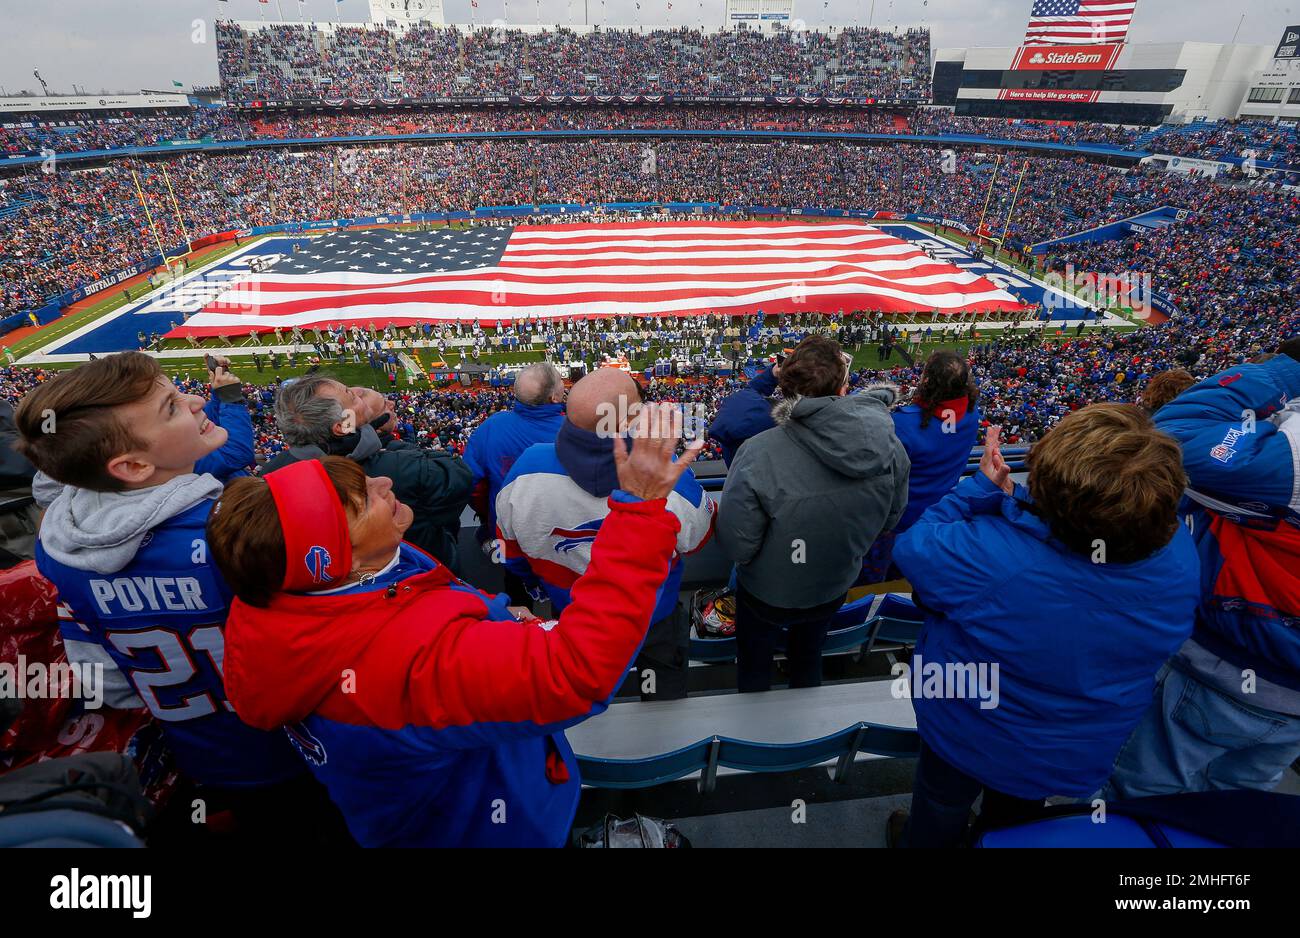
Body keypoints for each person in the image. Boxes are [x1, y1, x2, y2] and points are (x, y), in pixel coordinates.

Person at [206, 405, 702, 847]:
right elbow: (575, 673)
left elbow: (412, 615)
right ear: (341, 562)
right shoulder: (409, 667)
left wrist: (495, 618)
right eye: (360, 502)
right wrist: (638, 511)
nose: (382, 482)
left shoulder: (286, 601)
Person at [13, 353, 315, 832]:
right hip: (304, 744)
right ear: (132, 465)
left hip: (201, 753)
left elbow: (108, 680)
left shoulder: (57, 546)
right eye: (172, 407)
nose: (196, 401)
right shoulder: (235, 534)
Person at [888, 407, 1200, 847]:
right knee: (1017, 818)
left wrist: (978, 490)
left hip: (967, 727)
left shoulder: (993, 557)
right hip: (1070, 746)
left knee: (941, 804)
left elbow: (914, 546)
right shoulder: (1181, 560)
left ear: (1049, 493)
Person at [1105, 340, 1300, 799]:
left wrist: (1284, 372)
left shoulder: (1283, 462)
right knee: (1235, 812)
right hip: (1287, 698)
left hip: (1226, 667)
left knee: (1136, 798)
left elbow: (1171, 438)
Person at [495, 367, 714, 701]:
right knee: (661, 707)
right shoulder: (671, 480)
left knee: (578, 698)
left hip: (571, 613)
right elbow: (699, 539)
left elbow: (512, 557)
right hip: (652, 616)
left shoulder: (522, 473)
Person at [716, 336, 910, 692]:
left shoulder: (758, 452)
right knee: (808, 656)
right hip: (834, 581)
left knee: (754, 664)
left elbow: (738, 543)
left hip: (767, 591)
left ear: (785, 389)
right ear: (843, 386)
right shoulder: (891, 446)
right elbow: (890, 521)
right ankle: (807, 714)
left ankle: (752, 733)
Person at [264, 374, 472, 571]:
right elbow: (458, 475)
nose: (357, 391)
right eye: (351, 395)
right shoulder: (396, 468)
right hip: (418, 573)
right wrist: (384, 441)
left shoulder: (269, 475)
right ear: (341, 427)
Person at [462, 363, 566, 603]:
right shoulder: (574, 429)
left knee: (516, 589)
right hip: (560, 531)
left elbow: (473, 485)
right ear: (554, 396)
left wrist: (489, 517)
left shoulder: (491, 427)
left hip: (508, 528)